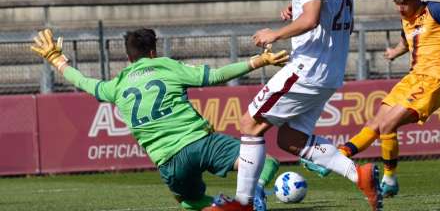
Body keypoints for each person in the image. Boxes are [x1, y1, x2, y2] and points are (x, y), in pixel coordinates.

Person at [204, 0, 382, 211]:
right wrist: (296, 8)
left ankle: (243, 203)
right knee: (290, 139)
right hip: (331, 70)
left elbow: (312, 18)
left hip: (308, 67)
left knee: (250, 123)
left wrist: (276, 33)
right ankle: (359, 174)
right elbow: (330, 12)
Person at [30, 28, 289, 211]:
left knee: (188, 202)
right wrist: (258, 61)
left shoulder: (117, 85)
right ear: (153, 52)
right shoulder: (165, 65)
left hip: (169, 162)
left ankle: (221, 207)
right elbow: (215, 76)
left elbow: (86, 83)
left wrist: (57, 60)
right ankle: (252, 193)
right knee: (265, 163)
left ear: (128, 57)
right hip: (201, 142)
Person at [328, 0, 440, 198]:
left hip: (435, 79)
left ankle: (389, 179)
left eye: (403, 3)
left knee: (388, 124)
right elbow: (407, 42)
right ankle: (336, 157)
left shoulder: (434, 10)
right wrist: (394, 52)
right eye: (397, 4)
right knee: (376, 122)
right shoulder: (405, 19)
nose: (400, 8)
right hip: (413, 78)